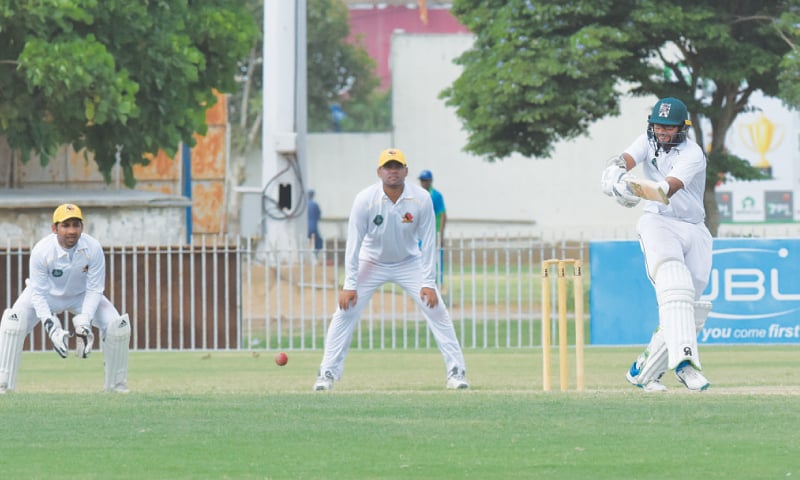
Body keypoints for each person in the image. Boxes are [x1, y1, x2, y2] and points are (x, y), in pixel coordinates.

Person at [313, 148, 469, 391]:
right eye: (388, 167)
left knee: (437, 308)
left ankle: (457, 372)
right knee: (344, 313)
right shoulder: (365, 199)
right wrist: (349, 285)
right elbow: (353, 244)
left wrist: (428, 282)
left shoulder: (421, 199)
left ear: (406, 171)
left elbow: (428, 243)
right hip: (371, 261)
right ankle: (327, 373)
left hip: (409, 261)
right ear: (379, 172)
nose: (393, 171)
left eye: (397, 167)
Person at [600, 97, 713, 392]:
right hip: (658, 223)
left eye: (669, 128)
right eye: (658, 126)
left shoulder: (693, 154)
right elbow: (623, 159)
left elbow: (666, 189)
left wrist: (630, 187)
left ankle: (644, 372)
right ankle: (686, 365)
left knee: (689, 307)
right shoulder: (646, 141)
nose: (663, 133)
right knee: (675, 286)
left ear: (682, 128)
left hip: (694, 228)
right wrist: (614, 173)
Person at [0, 203, 131, 393]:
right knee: (13, 322)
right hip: (46, 295)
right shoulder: (42, 251)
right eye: (66, 225)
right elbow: (37, 293)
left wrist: (84, 321)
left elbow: (95, 289)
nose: (71, 231)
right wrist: (51, 325)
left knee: (117, 326)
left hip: (81, 295)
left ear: (82, 227)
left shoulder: (92, 247)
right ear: (55, 228)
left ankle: (117, 386)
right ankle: (3, 384)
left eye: (76, 225)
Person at [418, 170, 447, 286]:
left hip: (433, 232)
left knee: (435, 259)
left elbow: (443, 215)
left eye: (425, 180)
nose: (423, 183)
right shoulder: (417, 195)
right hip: (419, 234)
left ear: (430, 181)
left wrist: (441, 234)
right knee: (420, 259)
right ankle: (421, 284)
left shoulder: (436, 195)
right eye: (421, 180)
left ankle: (438, 284)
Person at [307, 189, 323, 254]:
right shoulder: (314, 204)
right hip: (313, 227)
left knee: (306, 242)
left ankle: (310, 255)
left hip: (304, 228)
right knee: (318, 242)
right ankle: (315, 256)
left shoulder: (304, 205)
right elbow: (318, 215)